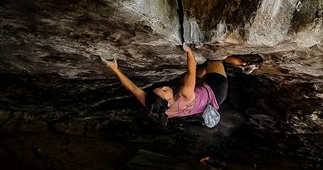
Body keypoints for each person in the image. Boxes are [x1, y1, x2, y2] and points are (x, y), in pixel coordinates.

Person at [101, 44, 261, 126]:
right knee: (214, 59)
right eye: (164, 90)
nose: (164, 85)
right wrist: (189, 51)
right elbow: (191, 72)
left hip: (202, 95)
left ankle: (220, 67)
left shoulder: (154, 105)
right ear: (169, 102)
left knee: (203, 68)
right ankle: (245, 64)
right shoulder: (184, 95)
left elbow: (132, 88)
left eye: (160, 87)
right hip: (216, 91)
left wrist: (114, 69)